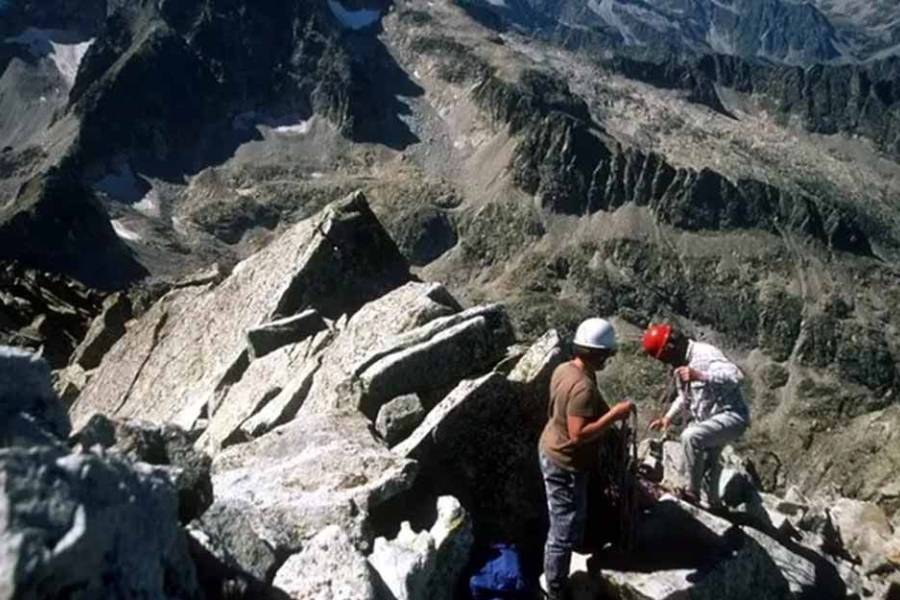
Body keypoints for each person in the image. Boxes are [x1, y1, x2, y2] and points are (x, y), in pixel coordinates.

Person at [539, 318, 634, 600]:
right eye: (606, 354)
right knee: (562, 530)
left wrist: (609, 417)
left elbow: (583, 406)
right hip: (566, 462)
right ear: (595, 353)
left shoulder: (565, 369)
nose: (608, 359)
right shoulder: (583, 388)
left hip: (551, 448)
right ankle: (554, 588)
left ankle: (571, 557)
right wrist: (614, 416)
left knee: (570, 516)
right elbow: (578, 434)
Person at [643, 323, 750, 507]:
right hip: (711, 419)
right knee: (709, 461)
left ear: (671, 346)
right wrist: (667, 418)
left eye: (666, 357)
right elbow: (685, 398)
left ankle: (692, 494)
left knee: (691, 436)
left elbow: (736, 376)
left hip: (731, 415)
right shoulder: (682, 365)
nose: (667, 363)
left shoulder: (705, 354)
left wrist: (701, 376)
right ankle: (714, 505)